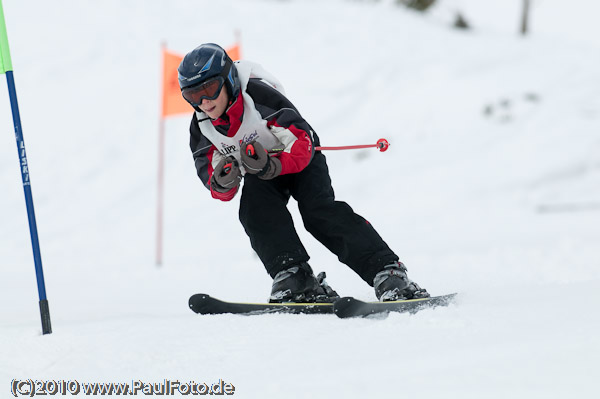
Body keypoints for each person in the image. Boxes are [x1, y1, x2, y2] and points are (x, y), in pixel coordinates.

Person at [178, 43, 429, 303]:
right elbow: (212, 177)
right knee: (255, 210)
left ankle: (386, 270)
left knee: (318, 213)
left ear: (229, 79)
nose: (204, 102)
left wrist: (275, 165)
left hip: (300, 157)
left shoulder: (257, 95)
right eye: (192, 95)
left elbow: (301, 140)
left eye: (209, 89)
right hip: (262, 171)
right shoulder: (202, 127)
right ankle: (293, 274)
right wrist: (222, 182)